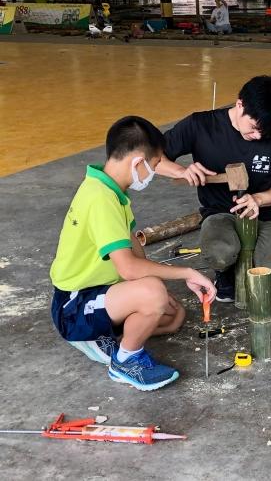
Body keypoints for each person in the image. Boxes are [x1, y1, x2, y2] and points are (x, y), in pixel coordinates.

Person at [49, 116, 216, 391]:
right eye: (154, 165)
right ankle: (124, 361)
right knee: (153, 294)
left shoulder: (111, 191)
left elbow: (138, 260)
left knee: (172, 315)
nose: (153, 173)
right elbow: (129, 269)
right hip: (74, 305)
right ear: (138, 162)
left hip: (100, 290)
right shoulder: (101, 199)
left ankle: (106, 336)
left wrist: (150, 293)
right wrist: (186, 272)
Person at [156, 76, 271, 303]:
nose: (259, 137)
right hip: (220, 211)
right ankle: (226, 273)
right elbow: (153, 157)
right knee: (220, 254)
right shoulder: (200, 125)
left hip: (266, 215)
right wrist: (180, 171)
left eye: (266, 134)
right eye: (254, 128)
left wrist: (259, 199)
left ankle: (252, 263)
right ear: (240, 105)